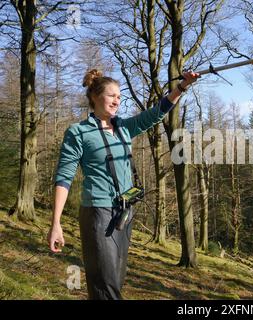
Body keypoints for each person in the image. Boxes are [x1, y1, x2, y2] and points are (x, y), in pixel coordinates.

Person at [47, 69, 200, 300]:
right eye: (112, 96)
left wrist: (182, 86)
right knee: (106, 287)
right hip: (97, 213)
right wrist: (55, 223)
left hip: (124, 213)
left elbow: (157, 112)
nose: (117, 100)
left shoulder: (124, 129)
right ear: (96, 97)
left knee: (114, 282)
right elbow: (64, 177)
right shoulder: (78, 132)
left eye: (119, 96)